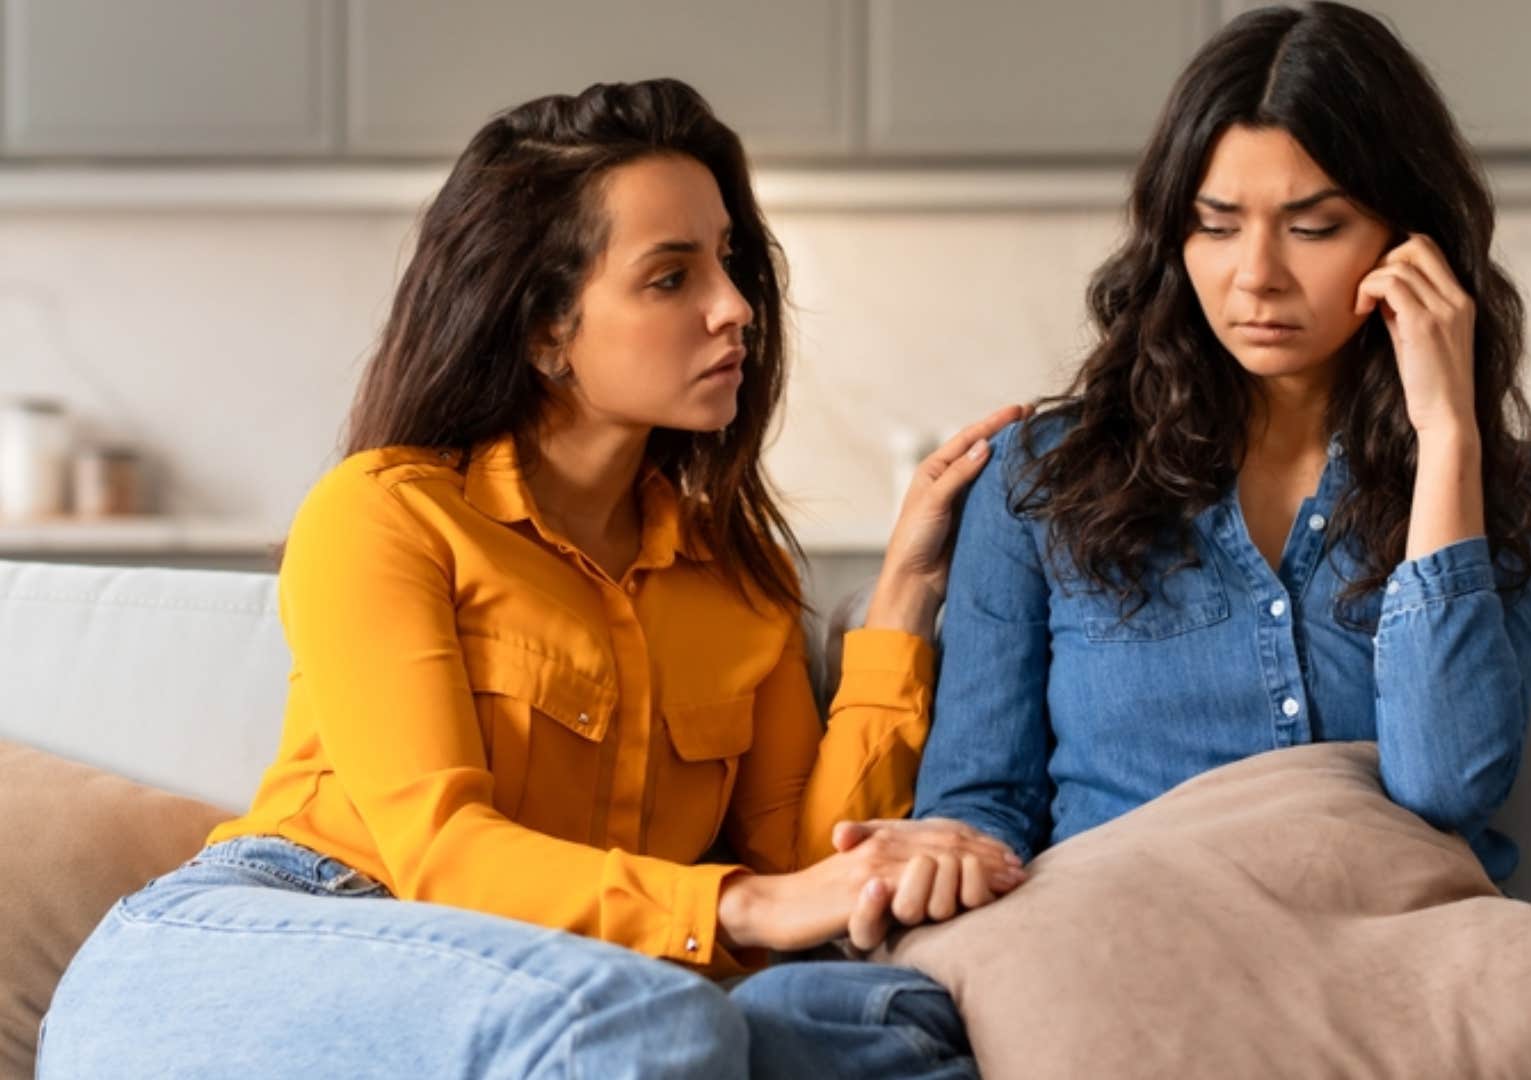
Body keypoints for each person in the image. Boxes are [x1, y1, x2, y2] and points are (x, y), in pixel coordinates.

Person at [733, 6, 1531, 1078]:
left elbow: (1446, 781)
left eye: (1314, 225)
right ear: (1170, 237)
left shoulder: (1500, 489)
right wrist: (943, 849)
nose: (1254, 277)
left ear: (1411, 241)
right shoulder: (1043, 482)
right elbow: (981, 804)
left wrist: (1448, 433)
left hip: (1406, 983)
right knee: (798, 1017)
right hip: (1116, 976)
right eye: (1215, 224)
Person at [38, 79, 1025, 1080]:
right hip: (263, 940)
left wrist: (905, 594)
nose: (735, 308)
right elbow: (439, 852)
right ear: (546, 329)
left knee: (877, 1027)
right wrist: (742, 906)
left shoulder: (737, 586)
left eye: (728, 263)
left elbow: (804, 880)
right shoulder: (389, 512)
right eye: (670, 278)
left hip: (560, 995)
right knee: (651, 1022)